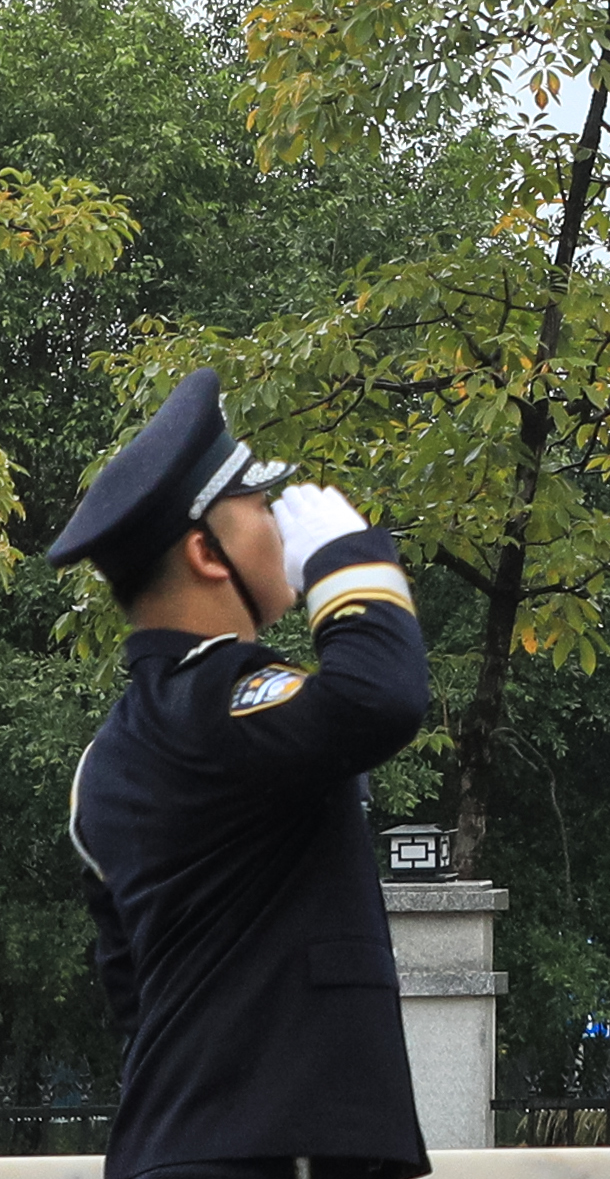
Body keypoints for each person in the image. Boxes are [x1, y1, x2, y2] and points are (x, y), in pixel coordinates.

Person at [55, 369, 431, 1179]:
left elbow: (133, 994)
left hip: (178, 1148)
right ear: (205, 551)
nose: (279, 525)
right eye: (260, 506)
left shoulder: (109, 757)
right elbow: (379, 699)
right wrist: (351, 563)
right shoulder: (221, 698)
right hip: (276, 1147)